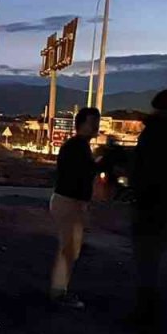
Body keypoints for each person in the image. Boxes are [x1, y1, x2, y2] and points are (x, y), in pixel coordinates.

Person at [129, 88, 167, 334]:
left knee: (146, 262)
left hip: (147, 205)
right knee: (163, 261)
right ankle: (160, 314)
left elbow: (139, 168)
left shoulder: (151, 132)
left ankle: (146, 314)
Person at [49, 107, 102, 308]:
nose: (96, 127)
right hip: (68, 201)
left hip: (70, 201)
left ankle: (60, 290)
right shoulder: (77, 147)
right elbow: (79, 173)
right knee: (69, 249)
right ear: (81, 125)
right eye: (92, 123)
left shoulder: (79, 146)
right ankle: (59, 292)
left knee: (71, 249)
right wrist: (100, 165)